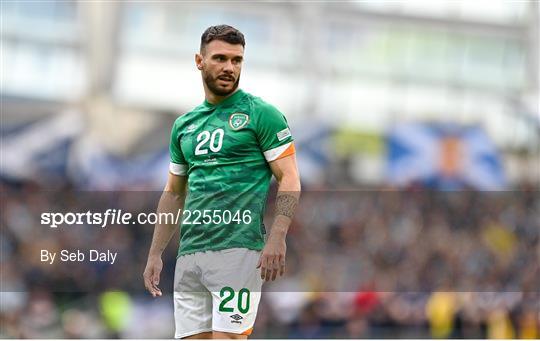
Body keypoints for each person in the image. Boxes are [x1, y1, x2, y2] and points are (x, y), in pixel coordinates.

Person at [143, 24, 301, 339]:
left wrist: (277, 237)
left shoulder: (262, 115)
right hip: (191, 253)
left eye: (237, 60)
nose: (230, 67)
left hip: (238, 250)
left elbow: (290, 178)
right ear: (200, 61)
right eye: (220, 58)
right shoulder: (184, 126)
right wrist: (155, 253)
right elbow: (173, 193)